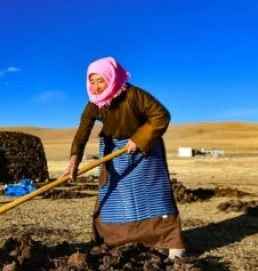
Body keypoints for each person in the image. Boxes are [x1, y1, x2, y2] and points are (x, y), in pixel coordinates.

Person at [64, 57, 186, 259]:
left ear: (112, 77)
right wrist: (74, 159)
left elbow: (161, 115)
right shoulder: (94, 105)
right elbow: (82, 132)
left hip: (144, 151)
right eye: (91, 81)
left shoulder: (133, 94)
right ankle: (114, 243)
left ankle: (172, 244)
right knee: (113, 199)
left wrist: (139, 138)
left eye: (100, 80)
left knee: (153, 197)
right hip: (114, 153)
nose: (95, 87)